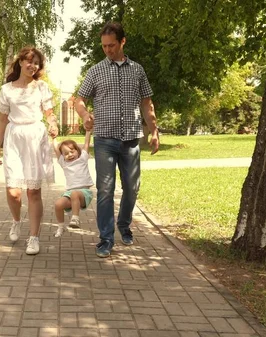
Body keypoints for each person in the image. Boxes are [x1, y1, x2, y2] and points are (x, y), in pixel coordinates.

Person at [75, 22, 160, 258]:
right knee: (105, 190)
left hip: (131, 139)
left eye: (112, 45)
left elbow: (146, 103)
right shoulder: (95, 71)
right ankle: (106, 238)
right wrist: (84, 115)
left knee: (132, 188)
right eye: (104, 46)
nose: (108, 50)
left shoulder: (138, 70)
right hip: (104, 139)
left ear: (122, 42)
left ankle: (124, 224)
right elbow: (79, 100)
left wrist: (154, 131)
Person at [0, 46, 58, 255]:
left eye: (37, 63)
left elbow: (49, 112)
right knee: (13, 191)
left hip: (35, 136)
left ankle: (34, 237)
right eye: (29, 61)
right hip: (14, 138)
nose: (33, 66)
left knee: (33, 190)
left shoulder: (41, 88)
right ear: (20, 62)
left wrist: (52, 123)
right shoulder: (7, 89)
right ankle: (15, 221)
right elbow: (3, 119)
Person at [52, 130, 94, 238]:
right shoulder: (64, 163)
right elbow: (56, 149)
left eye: (72, 151)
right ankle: (61, 227)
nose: (70, 155)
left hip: (84, 193)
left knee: (75, 194)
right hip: (70, 193)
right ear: (63, 156)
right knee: (58, 204)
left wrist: (88, 132)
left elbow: (86, 144)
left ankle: (75, 218)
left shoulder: (83, 158)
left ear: (77, 151)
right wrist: (53, 138)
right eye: (66, 154)